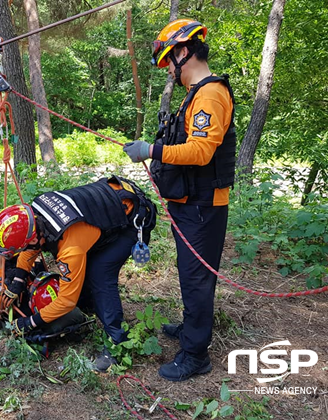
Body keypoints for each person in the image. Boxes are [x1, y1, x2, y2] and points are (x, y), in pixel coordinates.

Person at [123, 19, 236, 382]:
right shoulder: (197, 94)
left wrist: (150, 150)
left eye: (170, 61)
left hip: (204, 205)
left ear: (184, 51)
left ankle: (195, 354)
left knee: (196, 277)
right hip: (191, 201)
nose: (170, 71)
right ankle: (192, 330)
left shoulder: (210, 95)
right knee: (191, 274)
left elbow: (201, 152)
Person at [0, 176, 157, 371]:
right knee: (87, 273)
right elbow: (30, 246)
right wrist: (19, 278)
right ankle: (89, 303)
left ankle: (117, 343)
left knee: (100, 275)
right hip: (113, 199)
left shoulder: (70, 249)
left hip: (132, 219)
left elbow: (66, 301)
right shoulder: (36, 212)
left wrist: (30, 322)